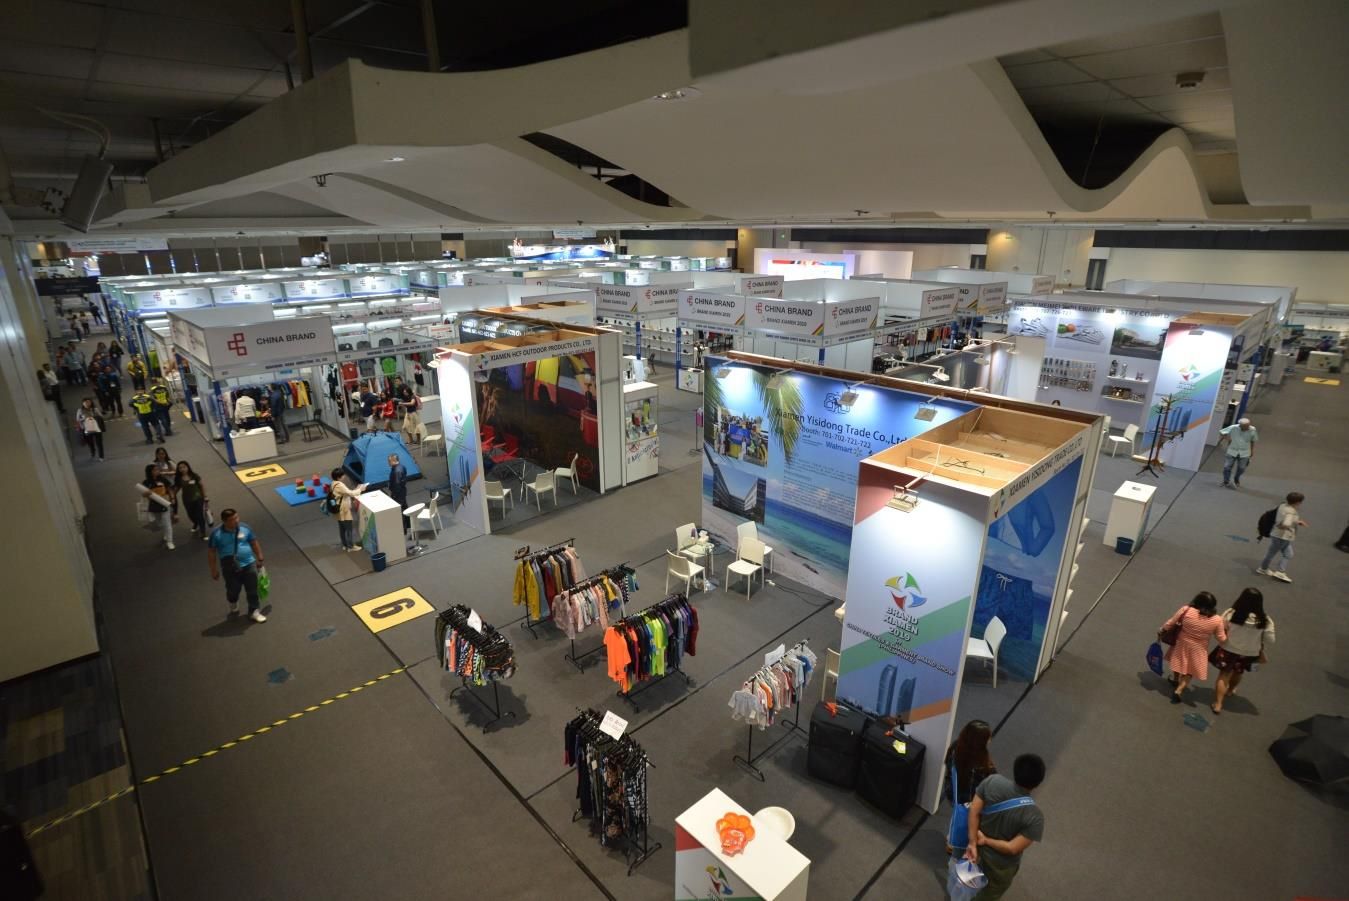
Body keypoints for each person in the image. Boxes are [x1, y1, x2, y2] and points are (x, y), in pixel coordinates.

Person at [961, 754, 1046, 901]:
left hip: (975, 851)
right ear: (1037, 783)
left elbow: (974, 811)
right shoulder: (1035, 817)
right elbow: (1012, 848)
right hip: (1000, 866)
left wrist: (973, 843)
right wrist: (986, 840)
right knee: (989, 893)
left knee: (966, 884)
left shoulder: (992, 782)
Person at [1210, 588, 1275, 715]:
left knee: (1224, 675)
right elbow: (1271, 640)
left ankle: (1218, 704)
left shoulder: (1231, 613)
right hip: (1249, 653)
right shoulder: (1265, 620)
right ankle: (1230, 690)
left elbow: (1221, 627)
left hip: (1229, 649)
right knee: (1238, 672)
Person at [1158, 591, 1227, 703]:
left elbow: (1171, 622)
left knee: (1179, 662)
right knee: (1190, 671)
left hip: (1181, 643)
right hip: (1199, 648)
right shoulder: (1217, 619)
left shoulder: (1186, 610)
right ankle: (1179, 690)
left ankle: (1176, 680)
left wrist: (1162, 630)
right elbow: (1221, 638)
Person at [207, 508, 267, 623]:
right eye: (232, 519)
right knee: (233, 590)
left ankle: (254, 611)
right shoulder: (216, 534)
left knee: (252, 589)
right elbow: (211, 552)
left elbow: (253, 542)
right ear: (225, 521)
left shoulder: (245, 528)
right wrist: (213, 569)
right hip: (229, 566)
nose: (236, 521)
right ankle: (232, 600)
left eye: (237, 517)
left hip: (249, 563)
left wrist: (260, 556)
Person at [1257, 491, 1307, 583]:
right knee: (1274, 553)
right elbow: (1286, 523)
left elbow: (1283, 518)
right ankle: (1274, 571)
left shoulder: (1283, 505)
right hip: (1283, 537)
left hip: (1277, 535)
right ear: (1297, 502)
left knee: (1288, 554)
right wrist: (1286, 527)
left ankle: (1268, 569)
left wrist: (1297, 521)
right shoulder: (1291, 512)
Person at [945, 719, 997, 806]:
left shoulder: (955, 747)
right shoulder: (980, 766)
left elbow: (947, 763)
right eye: (988, 737)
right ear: (980, 742)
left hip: (953, 790)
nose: (990, 739)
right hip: (969, 801)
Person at [329, 468, 366, 551]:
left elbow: (346, 493)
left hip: (338, 510)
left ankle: (345, 544)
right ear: (339, 477)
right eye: (343, 475)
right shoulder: (339, 485)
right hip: (344, 511)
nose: (344, 476)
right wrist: (360, 489)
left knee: (342, 529)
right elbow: (350, 493)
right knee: (349, 528)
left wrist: (356, 489)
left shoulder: (333, 484)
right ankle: (351, 546)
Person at [140, 463, 176, 550]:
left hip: (164, 503)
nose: (157, 471)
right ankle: (165, 533)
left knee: (167, 523)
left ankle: (170, 541)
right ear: (150, 472)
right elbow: (143, 495)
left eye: (158, 469)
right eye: (155, 470)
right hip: (153, 505)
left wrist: (172, 498)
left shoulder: (163, 479)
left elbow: (169, 489)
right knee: (159, 523)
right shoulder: (146, 482)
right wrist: (146, 493)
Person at [1217, 418, 1257, 488]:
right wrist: (1228, 439)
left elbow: (1253, 440)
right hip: (1232, 451)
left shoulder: (1253, 429)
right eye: (1244, 427)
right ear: (1240, 425)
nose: (1246, 428)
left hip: (1245, 452)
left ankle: (1236, 478)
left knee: (1242, 468)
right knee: (1227, 467)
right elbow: (1222, 432)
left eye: (1247, 426)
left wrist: (1252, 450)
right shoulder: (1233, 427)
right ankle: (1226, 481)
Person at [174, 461, 209, 539]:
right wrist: (172, 497)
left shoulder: (194, 476)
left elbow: (202, 486)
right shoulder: (178, 479)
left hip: (198, 498)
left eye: (184, 467)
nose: (182, 469)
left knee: (200, 515)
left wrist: (205, 496)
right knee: (191, 515)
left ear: (188, 467)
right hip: (187, 500)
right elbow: (176, 490)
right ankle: (195, 523)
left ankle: (203, 532)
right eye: (180, 468)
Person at [386, 452, 410, 536]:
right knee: (405, 508)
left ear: (393, 461)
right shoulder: (401, 467)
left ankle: (403, 530)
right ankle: (408, 525)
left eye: (389, 461)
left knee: (400, 512)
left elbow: (397, 484)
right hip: (402, 492)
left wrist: (394, 494)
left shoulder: (396, 471)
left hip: (398, 494)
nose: (388, 463)